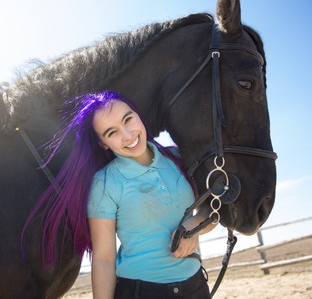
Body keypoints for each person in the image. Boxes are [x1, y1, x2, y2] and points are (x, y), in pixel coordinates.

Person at [22, 90, 215, 299]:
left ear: (138, 115)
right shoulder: (105, 183)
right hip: (141, 292)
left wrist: (193, 227)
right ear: (103, 143)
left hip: (195, 287)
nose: (128, 135)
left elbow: (213, 208)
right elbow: (104, 258)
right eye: (112, 132)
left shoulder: (179, 157)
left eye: (128, 119)